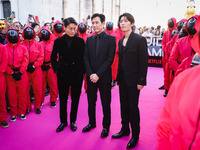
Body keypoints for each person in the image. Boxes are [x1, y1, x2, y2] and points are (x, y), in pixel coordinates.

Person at [157, 15, 200, 150]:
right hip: (179, 74)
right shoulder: (179, 40)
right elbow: (165, 127)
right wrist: (180, 71)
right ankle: (166, 88)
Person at [112, 13, 148, 149]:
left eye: (126, 21)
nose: (123, 23)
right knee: (123, 106)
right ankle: (125, 129)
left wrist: (141, 80)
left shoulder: (139, 40)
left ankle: (135, 135)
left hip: (134, 81)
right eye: (121, 21)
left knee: (133, 107)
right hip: (123, 80)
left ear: (132, 24)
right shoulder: (121, 41)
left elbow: (143, 62)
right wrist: (118, 79)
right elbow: (121, 62)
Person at [82, 13, 116, 138]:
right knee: (91, 102)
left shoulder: (111, 39)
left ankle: (106, 127)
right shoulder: (89, 39)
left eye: (97, 22)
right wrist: (91, 74)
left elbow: (109, 59)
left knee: (105, 103)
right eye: (93, 23)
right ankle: (91, 123)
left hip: (104, 77)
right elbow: (85, 58)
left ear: (103, 23)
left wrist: (98, 74)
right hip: (91, 78)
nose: (95, 25)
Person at [51, 17, 85, 132]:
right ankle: (63, 122)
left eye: (75, 29)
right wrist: (56, 69)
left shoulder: (80, 41)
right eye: (70, 28)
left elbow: (84, 57)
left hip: (77, 75)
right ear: (64, 28)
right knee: (63, 99)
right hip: (63, 74)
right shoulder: (58, 41)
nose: (73, 31)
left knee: (75, 99)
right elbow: (53, 56)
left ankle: (73, 121)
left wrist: (82, 71)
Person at [4, 28, 29, 121]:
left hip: (21, 73)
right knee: (11, 94)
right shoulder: (4, 48)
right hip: (10, 74)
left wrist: (21, 71)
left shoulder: (23, 48)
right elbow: (3, 62)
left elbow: (25, 60)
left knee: (22, 94)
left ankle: (22, 112)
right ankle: (13, 113)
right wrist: (11, 72)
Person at [21, 26, 44, 115]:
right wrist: (26, 66)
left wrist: (34, 66)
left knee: (38, 88)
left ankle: (37, 106)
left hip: (36, 69)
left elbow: (41, 57)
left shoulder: (38, 45)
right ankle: (27, 107)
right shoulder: (21, 45)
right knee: (25, 89)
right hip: (25, 69)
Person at [40, 26, 58, 108]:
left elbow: (57, 56)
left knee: (53, 84)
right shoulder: (39, 45)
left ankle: (53, 99)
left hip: (50, 66)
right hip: (41, 67)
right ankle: (40, 101)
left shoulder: (53, 44)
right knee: (41, 85)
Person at [0, 43, 9, 127]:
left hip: (0, 76)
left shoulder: (2, 48)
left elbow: (4, 61)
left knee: (1, 98)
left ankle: (2, 118)